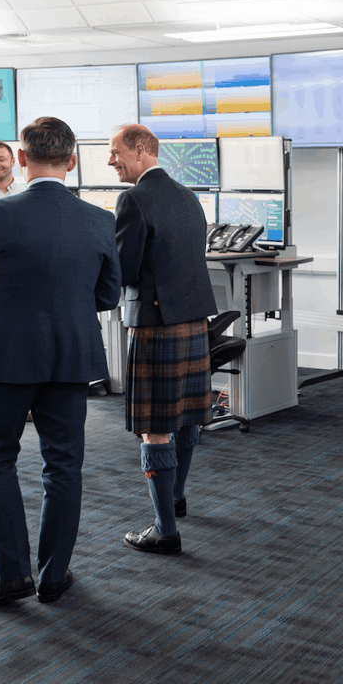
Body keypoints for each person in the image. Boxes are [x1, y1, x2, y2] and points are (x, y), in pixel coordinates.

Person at [0, 117, 121, 605]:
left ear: (20, 160)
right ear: (72, 161)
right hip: (70, 358)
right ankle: (53, 576)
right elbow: (107, 295)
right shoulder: (100, 220)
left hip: (4, 358)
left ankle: (12, 576)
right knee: (63, 466)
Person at [111, 124, 217, 556]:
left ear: (141, 150)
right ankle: (176, 498)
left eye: (116, 152)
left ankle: (165, 529)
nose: (111, 160)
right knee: (187, 419)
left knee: (155, 430)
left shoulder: (133, 199)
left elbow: (127, 270)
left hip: (155, 326)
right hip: (193, 322)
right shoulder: (189, 195)